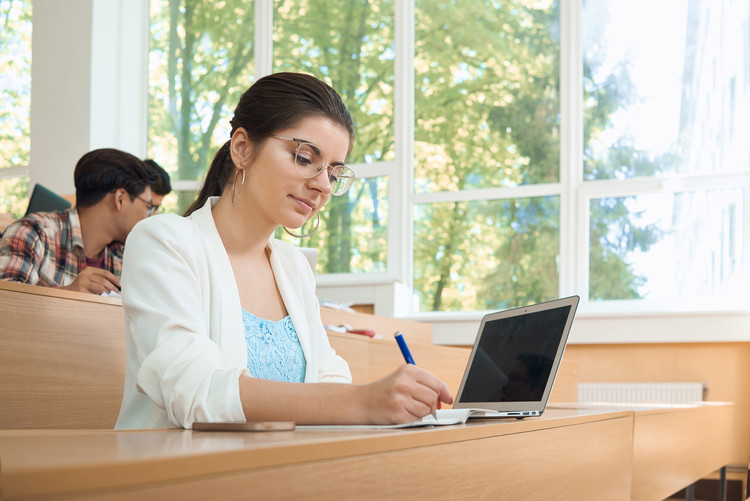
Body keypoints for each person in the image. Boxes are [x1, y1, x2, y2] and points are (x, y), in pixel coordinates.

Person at [116, 72, 452, 429]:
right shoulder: (164, 242)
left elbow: (328, 378)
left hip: (280, 473)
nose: (323, 185)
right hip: (177, 476)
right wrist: (363, 401)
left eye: (334, 174)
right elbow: (195, 391)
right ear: (242, 148)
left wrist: (382, 404)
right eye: (305, 158)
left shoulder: (293, 266)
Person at [0, 148, 157, 295]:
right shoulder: (33, 232)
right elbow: (6, 306)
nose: (149, 216)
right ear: (120, 199)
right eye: (148, 206)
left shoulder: (125, 257)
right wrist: (68, 295)